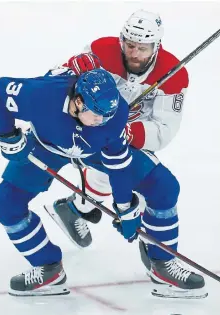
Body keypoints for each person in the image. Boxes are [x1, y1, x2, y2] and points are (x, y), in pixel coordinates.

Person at [44, 10, 206, 298]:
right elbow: (58, 86)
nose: (134, 52)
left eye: (142, 47)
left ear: (157, 45)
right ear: (122, 38)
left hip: (124, 140)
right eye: (129, 44)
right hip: (84, 131)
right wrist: (67, 71)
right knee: (155, 186)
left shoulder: (174, 73)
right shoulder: (101, 50)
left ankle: (76, 208)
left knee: (144, 182)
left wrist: (130, 133)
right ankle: (161, 260)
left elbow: (164, 129)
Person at [0, 68, 142, 296]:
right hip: (44, 146)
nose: (102, 120)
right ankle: (49, 268)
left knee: (150, 179)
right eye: (96, 114)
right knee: (5, 204)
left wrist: (125, 207)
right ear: (78, 101)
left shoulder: (114, 115)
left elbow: (118, 164)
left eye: (107, 115)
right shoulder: (41, 95)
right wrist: (9, 136)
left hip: (90, 150)